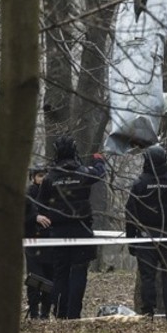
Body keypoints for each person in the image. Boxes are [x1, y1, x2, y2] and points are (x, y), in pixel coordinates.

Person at [35, 135, 106, 319]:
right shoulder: (83, 173)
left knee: (60, 274)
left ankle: (60, 313)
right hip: (82, 229)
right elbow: (99, 173)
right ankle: (74, 315)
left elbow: (41, 204)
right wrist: (98, 160)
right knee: (79, 273)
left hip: (58, 232)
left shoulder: (50, 178)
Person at [125, 144, 167, 321]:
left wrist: (131, 241)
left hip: (146, 237)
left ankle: (147, 312)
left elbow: (130, 214)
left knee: (147, 277)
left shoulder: (140, 184)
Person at [23, 165, 53, 319]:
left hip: (50, 242)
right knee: (34, 278)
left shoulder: (52, 194)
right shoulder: (28, 195)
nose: (43, 179)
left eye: (45, 176)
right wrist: (35, 218)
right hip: (33, 241)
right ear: (33, 177)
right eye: (40, 176)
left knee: (49, 278)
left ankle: (45, 313)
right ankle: (34, 312)